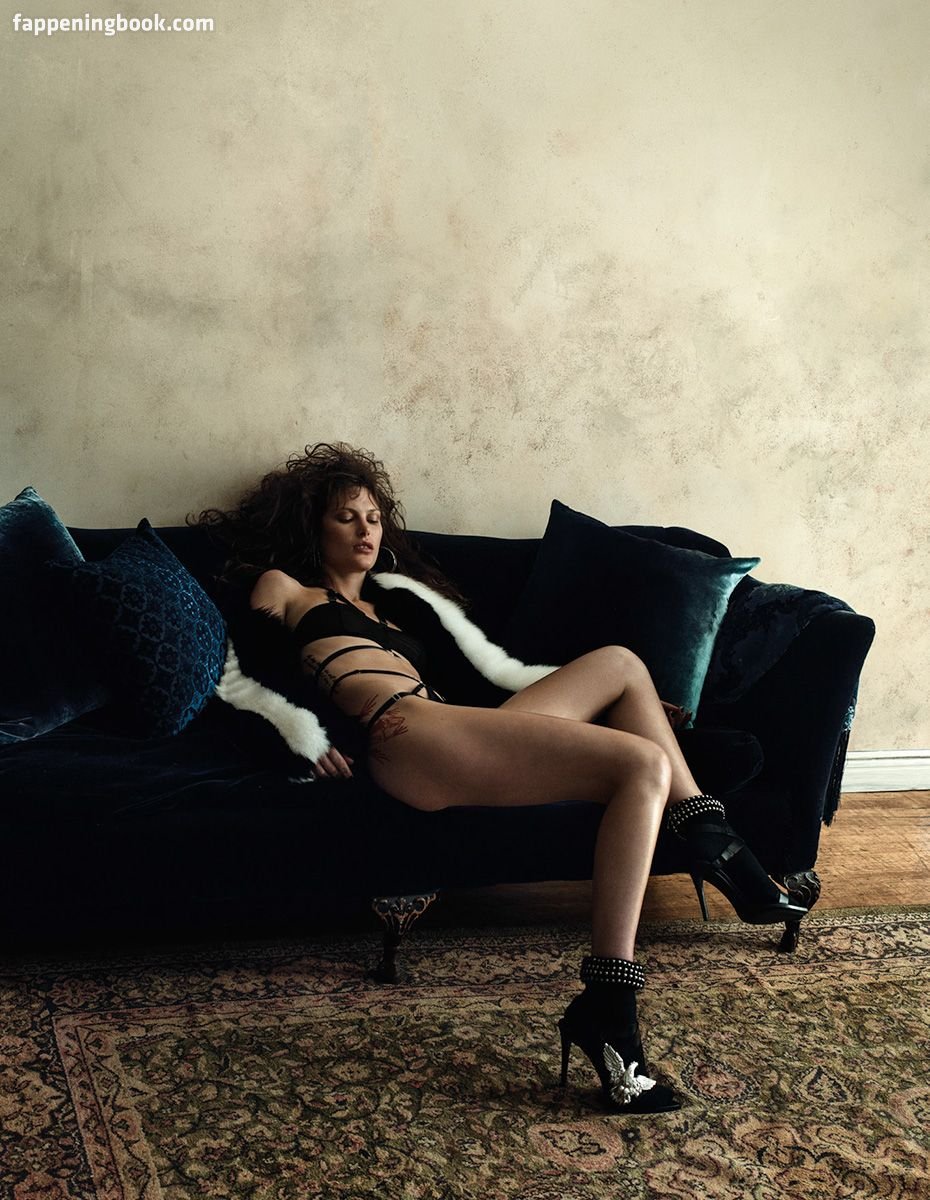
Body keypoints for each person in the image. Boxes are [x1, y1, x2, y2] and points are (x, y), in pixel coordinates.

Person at [198, 442, 806, 1115]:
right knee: (643, 764)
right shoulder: (285, 588)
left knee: (621, 665)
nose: (365, 530)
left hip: (456, 726)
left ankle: (713, 841)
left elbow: (484, 681)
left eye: (373, 517)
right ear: (313, 527)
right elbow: (239, 676)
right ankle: (611, 1005)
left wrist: (598, 707)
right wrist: (297, 739)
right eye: (346, 517)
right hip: (405, 736)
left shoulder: (396, 607)